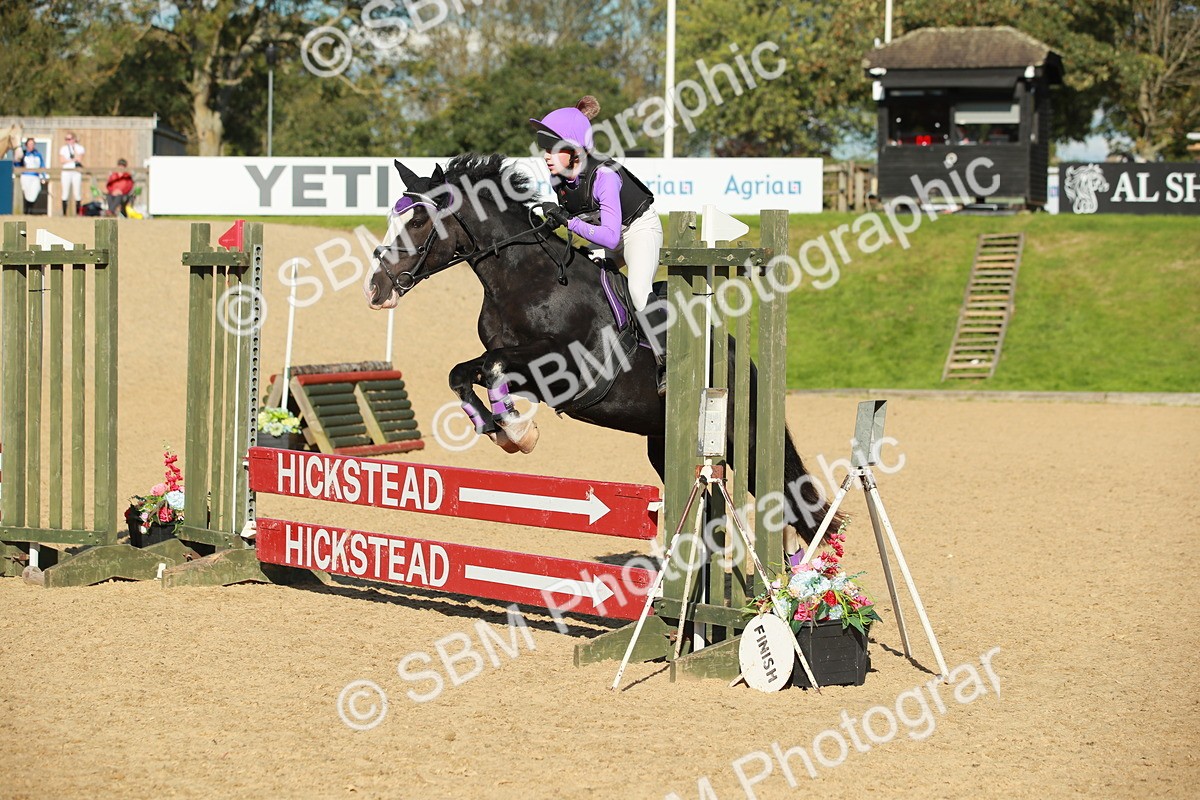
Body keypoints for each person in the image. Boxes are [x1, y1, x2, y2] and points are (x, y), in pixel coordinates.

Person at [529, 96, 668, 395]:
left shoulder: (604, 175)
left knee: (638, 291)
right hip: (609, 236)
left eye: (552, 150)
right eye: (545, 150)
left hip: (637, 231)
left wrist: (567, 221)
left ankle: (668, 358)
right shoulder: (559, 180)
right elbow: (576, 223)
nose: (546, 157)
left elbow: (611, 238)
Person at [13, 137, 47, 213]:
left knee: (35, 192)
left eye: (32, 144)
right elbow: (18, 165)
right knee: (26, 193)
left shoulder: (38, 154)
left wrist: (44, 176)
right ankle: (26, 211)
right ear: (26, 145)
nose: (31, 146)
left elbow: (42, 165)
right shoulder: (23, 154)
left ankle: (30, 210)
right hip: (25, 176)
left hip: (35, 176)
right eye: (30, 144)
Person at [58, 131, 85, 216]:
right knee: (65, 192)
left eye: (69, 139)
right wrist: (72, 160)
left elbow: (79, 159)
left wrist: (74, 149)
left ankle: (77, 213)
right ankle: (64, 213)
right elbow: (62, 160)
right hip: (66, 171)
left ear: (74, 139)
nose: (68, 141)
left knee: (77, 192)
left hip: (76, 171)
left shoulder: (79, 148)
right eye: (66, 139)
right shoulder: (63, 148)